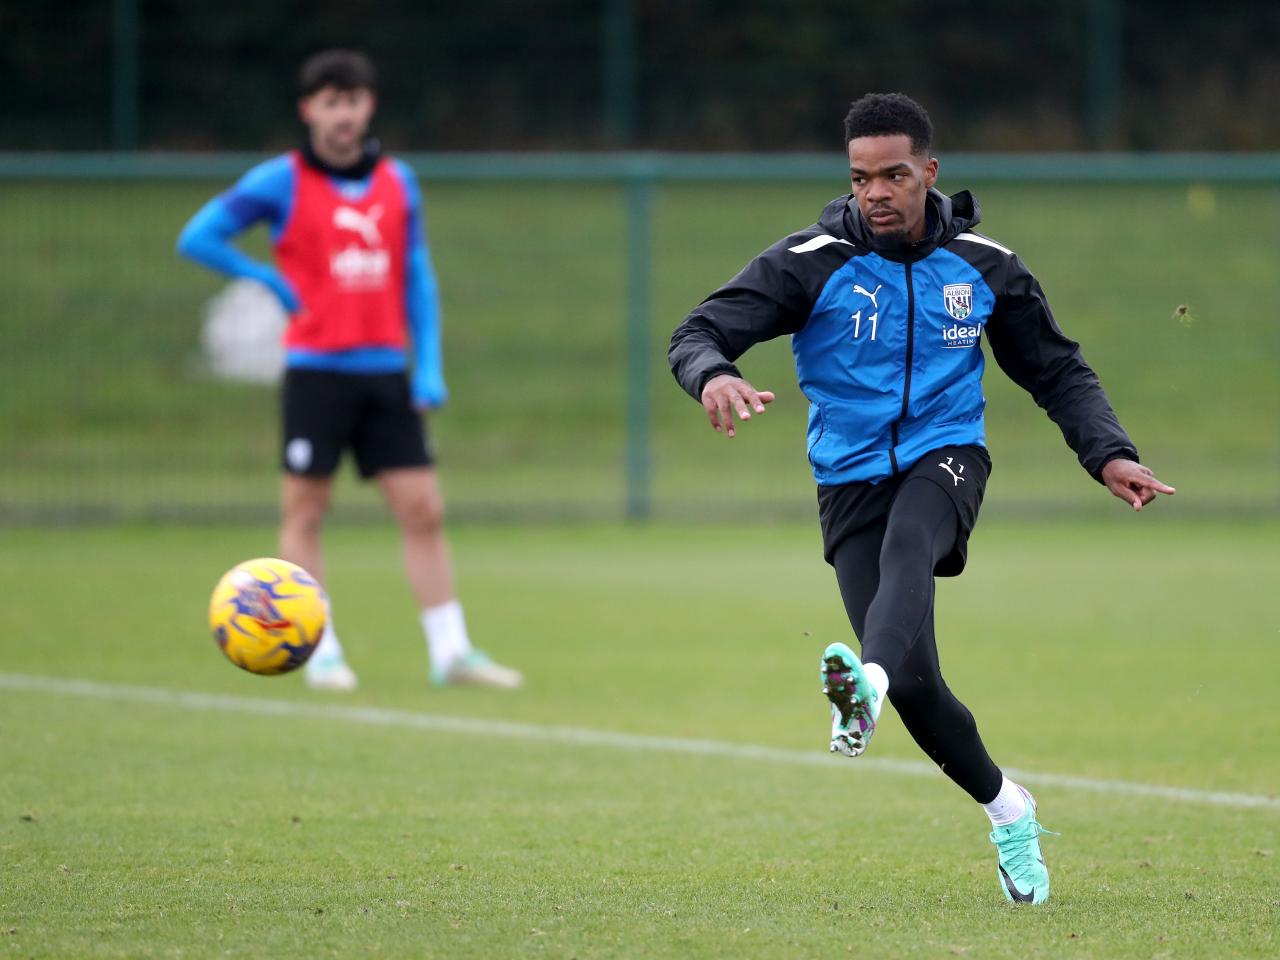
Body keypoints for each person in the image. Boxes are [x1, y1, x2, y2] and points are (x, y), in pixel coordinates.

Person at [668, 92, 1173, 905]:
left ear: (928, 172)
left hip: (949, 457)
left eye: (894, 175)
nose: (877, 192)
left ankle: (860, 682)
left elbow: (1056, 369)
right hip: (848, 480)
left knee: (912, 545)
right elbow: (696, 332)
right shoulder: (810, 261)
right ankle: (1008, 807)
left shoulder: (985, 265)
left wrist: (1109, 454)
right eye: (862, 177)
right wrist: (715, 374)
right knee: (918, 687)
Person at [178, 49, 522, 692]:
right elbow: (197, 236)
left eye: (355, 101)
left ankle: (451, 651)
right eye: (331, 102)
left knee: (423, 507)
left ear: (369, 107)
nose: (344, 114)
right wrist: (264, 278)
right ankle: (320, 649)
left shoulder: (398, 181)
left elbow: (416, 275)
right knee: (307, 508)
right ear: (309, 110)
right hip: (315, 371)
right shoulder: (279, 182)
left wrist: (430, 367)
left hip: (386, 369)